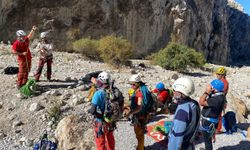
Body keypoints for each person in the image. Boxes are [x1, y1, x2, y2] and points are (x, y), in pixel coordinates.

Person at [168, 77, 200, 150]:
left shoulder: (182, 112)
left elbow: (176, 137)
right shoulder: (194, 103)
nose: (173, 92)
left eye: (174, 90)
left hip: (183, 145)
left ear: (179, 92)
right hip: (190, 143)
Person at [88, 72, 115, 150]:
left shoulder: (98, 93)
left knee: (100, 141)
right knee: (110, 139)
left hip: (100, 121)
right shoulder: (113, 90)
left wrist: (100, 116)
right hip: (110, 120)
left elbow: (93, 110)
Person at [124, 74, 151, 150]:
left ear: (138, 83)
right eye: (131, 84)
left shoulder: (139, 92)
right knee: (140, 133)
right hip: (144, 114)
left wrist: (130, 113)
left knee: (139, 134)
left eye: (133, 84)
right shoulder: (144, 88)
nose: (132, 86)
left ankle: (140, 148)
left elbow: (139, 106)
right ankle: (140, 146)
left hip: (139, 116)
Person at [199, 79, 226, 150]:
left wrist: (206, 92)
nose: (209, 87)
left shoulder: (216, 99)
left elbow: (201, 102)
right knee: (208, 139)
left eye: (211, 86)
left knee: (207, 140)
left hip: (208, 122)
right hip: (213, 121)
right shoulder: (221, 96)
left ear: (214, 89)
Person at [214, 67, 229, 133]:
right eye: (217, 74)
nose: (217, 75)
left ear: (222, 75)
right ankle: (216, 128)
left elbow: (223, 91)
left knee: (218, 115)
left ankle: (217, 129)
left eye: (218, 74)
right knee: (217, 114)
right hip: (219, 99)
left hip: (220, 100)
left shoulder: (224, 82)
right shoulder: (221, 81)